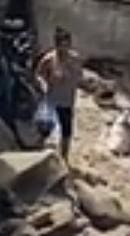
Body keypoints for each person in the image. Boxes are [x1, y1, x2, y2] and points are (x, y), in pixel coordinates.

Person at [35, 27, 82, 161]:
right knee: (44, 130)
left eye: (66, 45)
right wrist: (42, 84)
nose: (64, 48)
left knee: (66, 132)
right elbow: (38, 74)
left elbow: (79, 77)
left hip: (67, 101)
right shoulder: (49, 59)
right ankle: (38, 156)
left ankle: (64, 158)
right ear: (57, 45)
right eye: (61, 45)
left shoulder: (75, 59)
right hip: (52, 100)